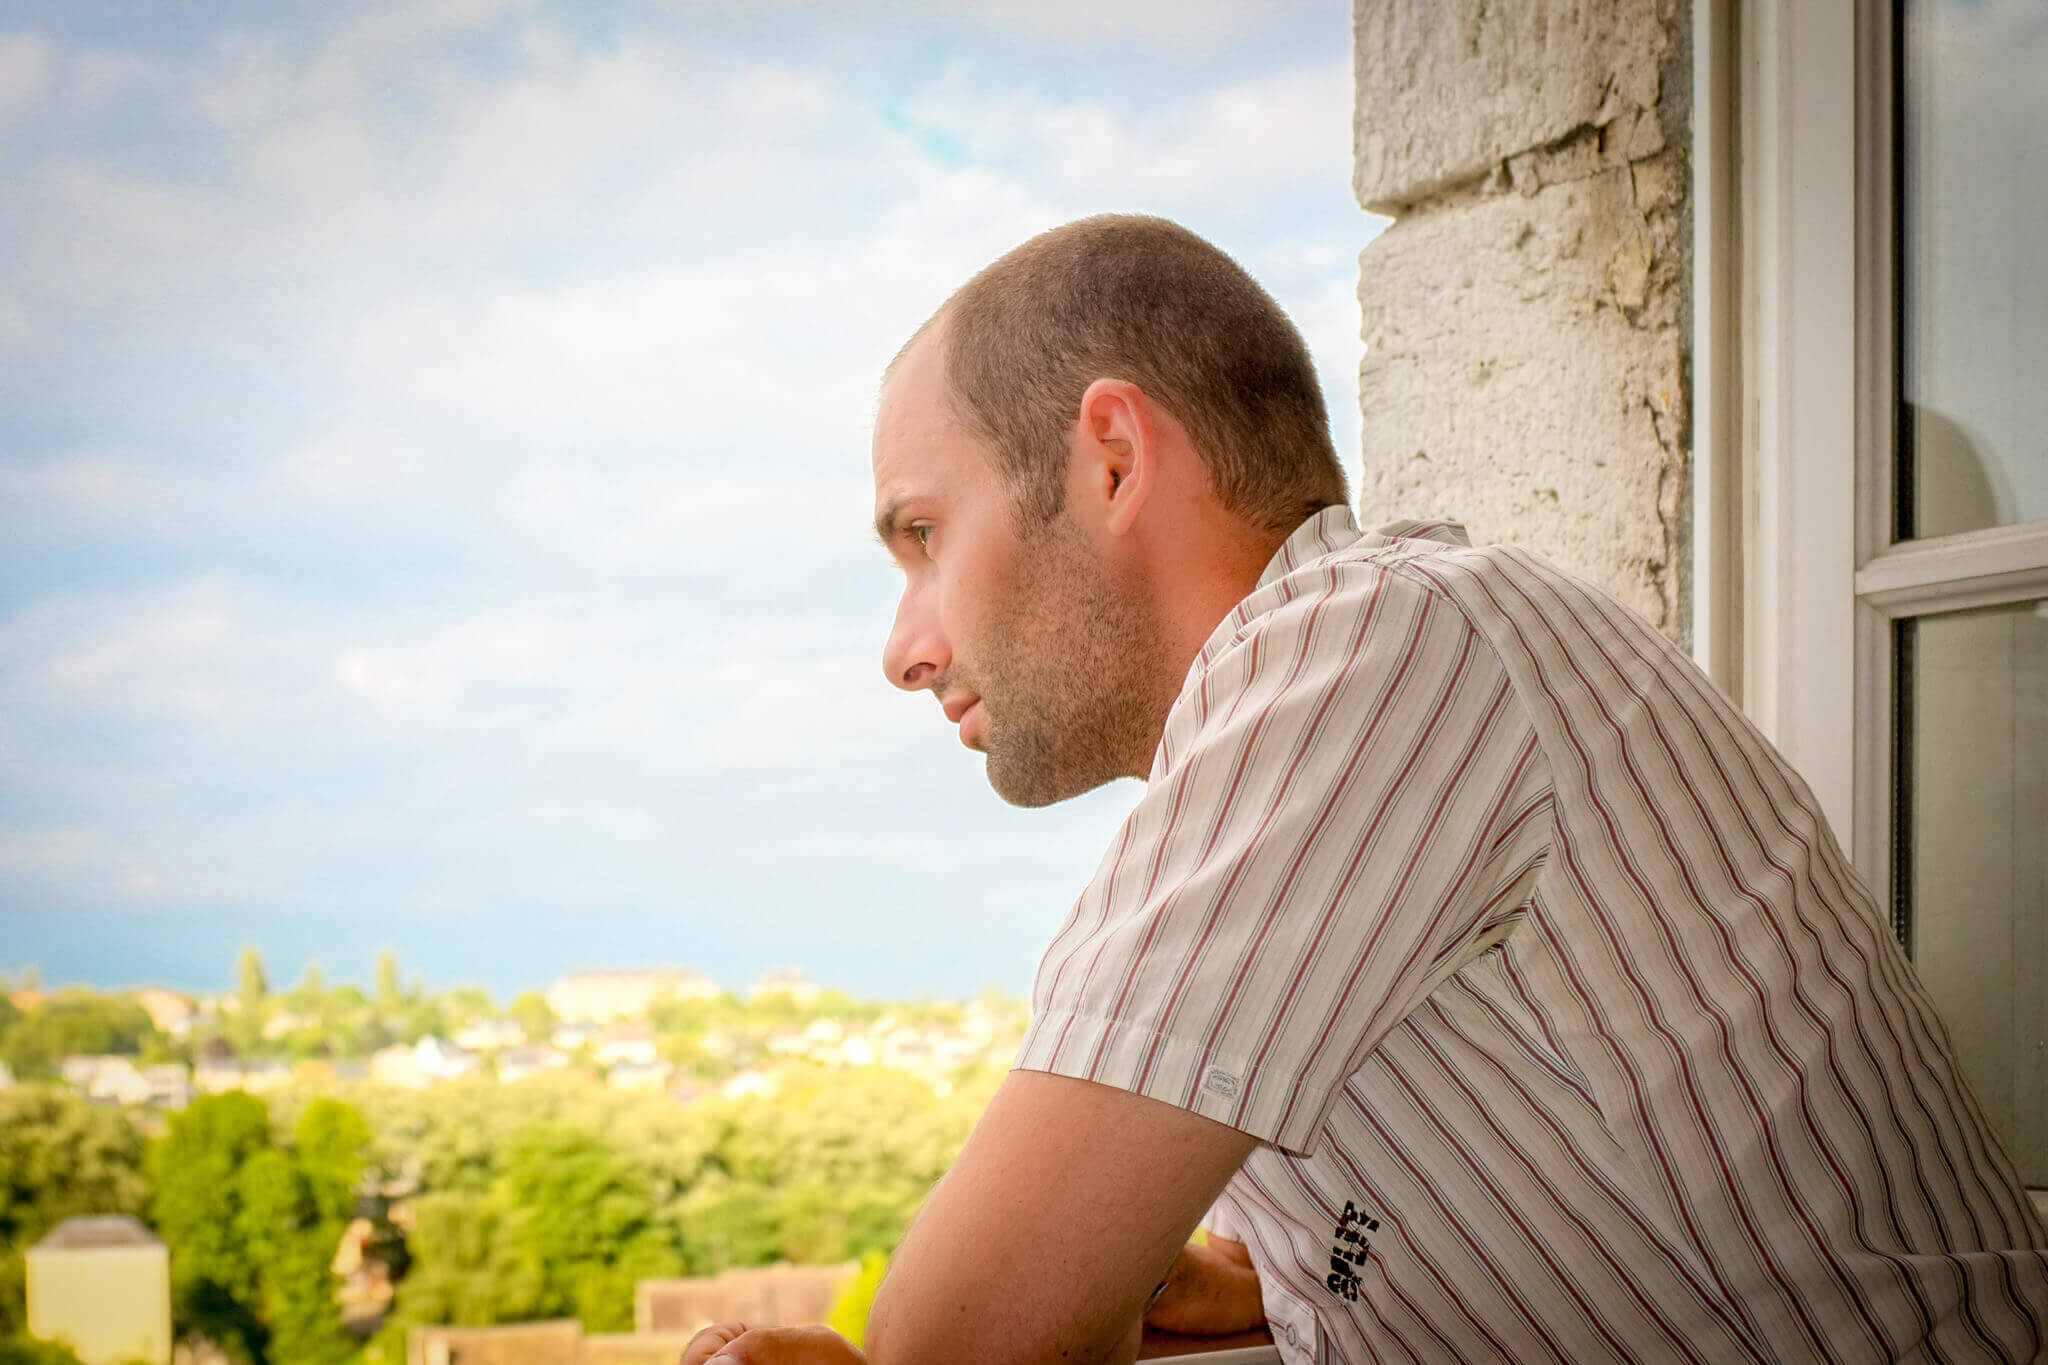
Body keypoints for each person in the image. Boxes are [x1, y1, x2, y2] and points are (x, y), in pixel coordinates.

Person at [683, 216, 2047, 1365]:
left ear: (1113, 459)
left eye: (924, 534)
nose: (904, 650)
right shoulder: (1338, 749)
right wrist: (1257, 1291)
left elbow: (963, 1338)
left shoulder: (1378, 648)